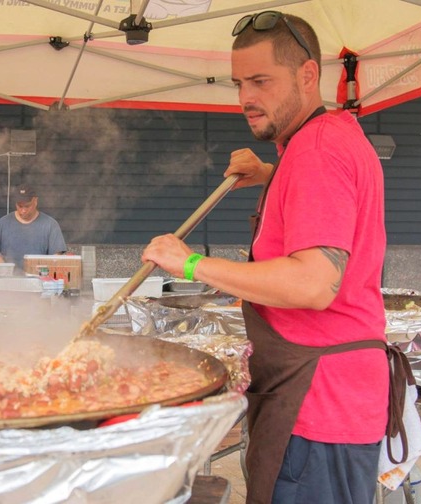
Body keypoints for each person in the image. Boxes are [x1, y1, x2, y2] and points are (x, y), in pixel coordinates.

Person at [141, 12, 388, 504]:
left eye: (260, 81)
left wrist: (190, 264)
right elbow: (328, 199)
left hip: (317, 406)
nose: (245, 99)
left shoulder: (316, 150)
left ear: (307, 76)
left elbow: (313, 283)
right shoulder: (324, 139)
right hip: (336, 399)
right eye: (238, 84)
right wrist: (273, 174)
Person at [0, 184, 67, 270]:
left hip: (39, 281)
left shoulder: (50, 224)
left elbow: (57, 257)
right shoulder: (4, 222)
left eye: (27, 206)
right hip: (8, 281)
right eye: (20, 206)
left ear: (35, 201)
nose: (23, 210)